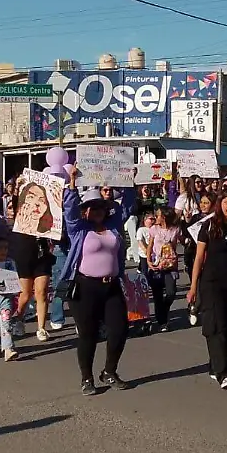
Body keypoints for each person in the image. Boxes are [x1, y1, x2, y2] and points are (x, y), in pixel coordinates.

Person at [61, 165, 132, 395]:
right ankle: (86, 378)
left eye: (100, 206)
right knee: (88, 334)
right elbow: (69, 209)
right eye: (91, 207)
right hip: (85, 287)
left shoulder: (113, 226)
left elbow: (127, 206)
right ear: (85, 211)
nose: (96, 210)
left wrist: (127, 180)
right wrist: (72, 183)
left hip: (110, 286)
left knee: (119, 330)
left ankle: (109, 371)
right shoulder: (78, 229)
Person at [187, 190, 227, 388]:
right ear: (220, 204)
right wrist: (193, 286)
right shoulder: (208, 226)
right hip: (211, 282)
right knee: (216, 326)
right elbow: (198, 258)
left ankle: (215, 362)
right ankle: (224, 372)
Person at [9, 182, 55, 342]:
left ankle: (41, 328)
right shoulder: (20, 217)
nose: (37, 204)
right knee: (25, 294)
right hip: (23, 255)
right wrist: (17, 189)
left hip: (42, 256)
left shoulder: (49, 224)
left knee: (41, 292)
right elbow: (16, 203)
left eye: (42, 200)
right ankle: (18, 319)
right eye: (31, 198)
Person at [142, 208, 181, 332]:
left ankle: (163, 309)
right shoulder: (154, 229)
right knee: (157, 295)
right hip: (156, 265)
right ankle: (162, 322)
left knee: (171, 292)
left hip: (170, 266)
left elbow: (174, 246)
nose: (155, 218)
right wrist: (148, 260)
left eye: (158, 215)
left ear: (164, 217)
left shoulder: (175, 230)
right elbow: (150, 246)